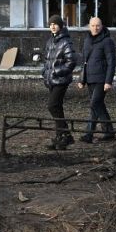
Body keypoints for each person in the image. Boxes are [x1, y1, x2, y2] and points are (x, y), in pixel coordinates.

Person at [77, 15, 116, 143]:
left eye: (97, 25)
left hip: (101, 79)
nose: (95, 28)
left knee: (94, 104)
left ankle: (106, 131)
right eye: (93, 25)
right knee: (97, 106)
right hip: (90, 78)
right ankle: (92, 134)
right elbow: (84, 61)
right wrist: (82, 80)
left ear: (102, 26)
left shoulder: (107, 41)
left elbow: (112, 62)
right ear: (89, 26)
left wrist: (108, 81)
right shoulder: (87, 40)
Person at [41, 15, 77, 150]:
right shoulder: (50, 41)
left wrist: (56, 72)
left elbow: (71, 61)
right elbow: (46, 60)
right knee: (57, 108)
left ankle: (65, 135)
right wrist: (45, 72)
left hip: (61, 80)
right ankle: (61, 137)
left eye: (55, 24)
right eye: (50, 24)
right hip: (51, 80)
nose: (52, 26)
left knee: (52, 106)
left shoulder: (66, 42)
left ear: (60, 26)